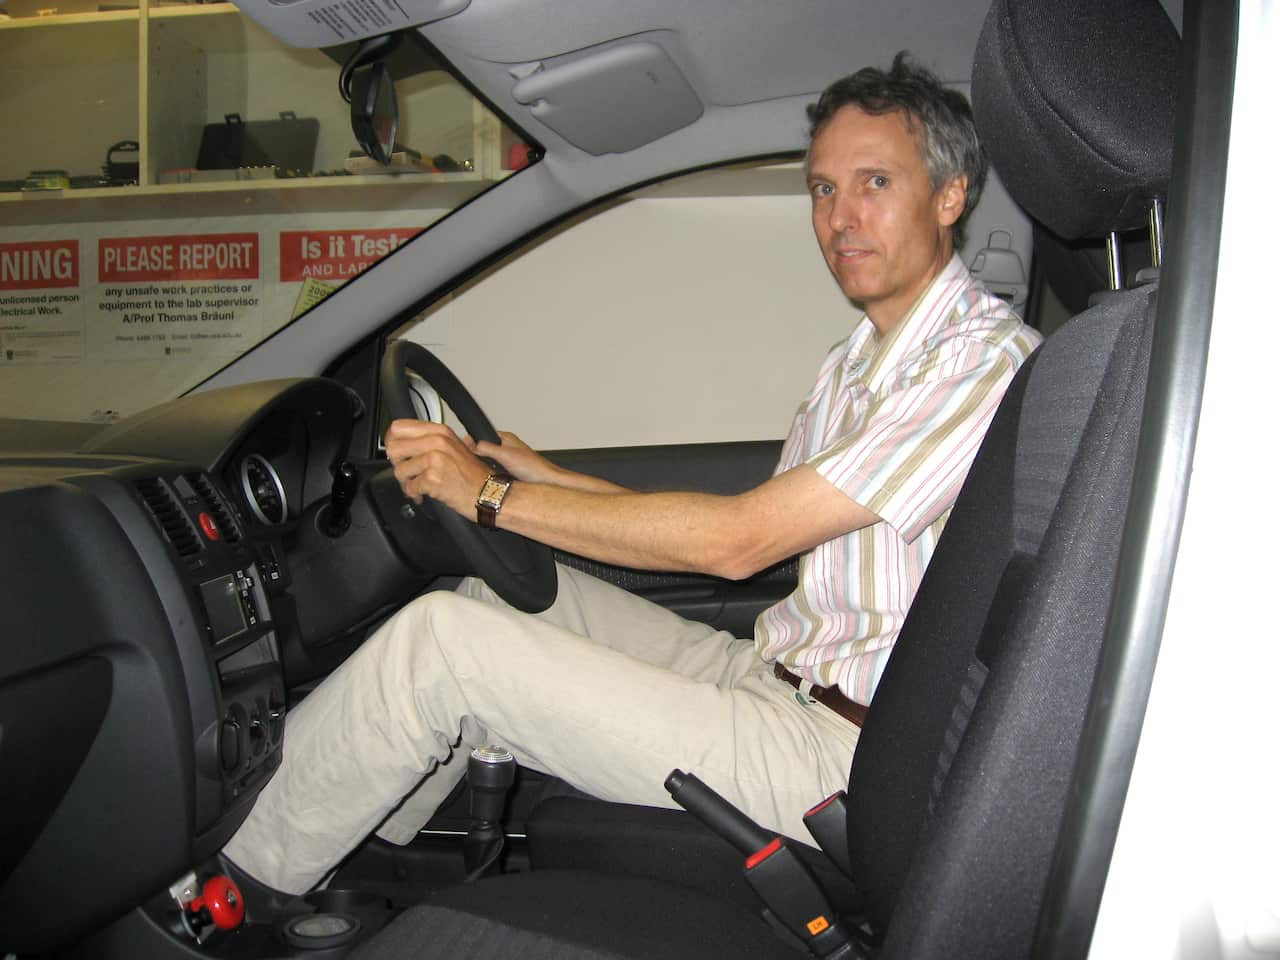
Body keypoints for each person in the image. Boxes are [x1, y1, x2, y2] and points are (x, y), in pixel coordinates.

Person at [223, 52, 1042, 895]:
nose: (840, 218)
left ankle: (230, 888)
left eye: (875, 182)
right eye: (823, 189)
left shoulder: (980, 365)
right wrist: (543, 479)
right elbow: (749, 523)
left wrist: (492, 497)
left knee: (441, 649)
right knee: (485, 598)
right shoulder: (858, 362)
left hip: (847, 755)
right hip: (774, 675)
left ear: (950, 196)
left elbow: (736, 543)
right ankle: (353, 859)